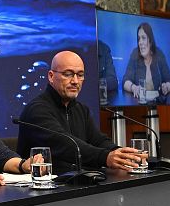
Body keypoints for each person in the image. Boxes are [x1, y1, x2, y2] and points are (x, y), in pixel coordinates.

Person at [16, 51, 145, 174]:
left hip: (77, 183)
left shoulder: (81, 109)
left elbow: (98, 141)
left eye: (80, 75)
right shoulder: (36, 110)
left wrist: (123, 155)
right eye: (68, 74)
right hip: (42, 189)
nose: (75, 81)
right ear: (51, 76)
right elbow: (67, 145)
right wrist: (106, 157)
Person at [122, 22, 170, 100]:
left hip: (158, 104)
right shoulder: (135, 54)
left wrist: (166, 87)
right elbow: (125, 81)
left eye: (143, 38)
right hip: (139, 105)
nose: (140, 42)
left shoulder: (159, 54)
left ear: (150, 40)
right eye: (139, 39)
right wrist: (133, 88)